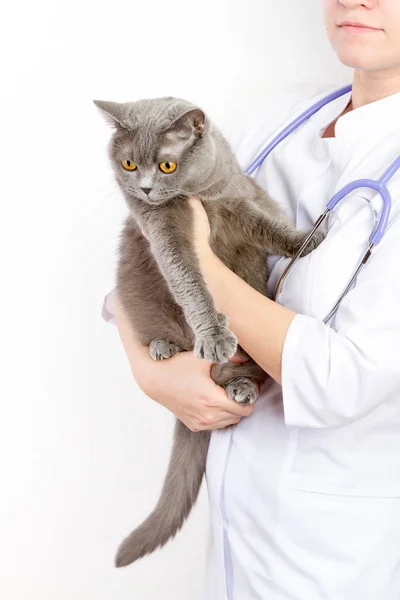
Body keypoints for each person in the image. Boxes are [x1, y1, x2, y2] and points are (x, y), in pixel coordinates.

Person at [101, 1, 400, 598]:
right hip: (236, 530)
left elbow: (340, 379)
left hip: (336, 557)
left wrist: (198, 262)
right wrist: (150, 368)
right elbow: (138, 264)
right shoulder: (281, 115)